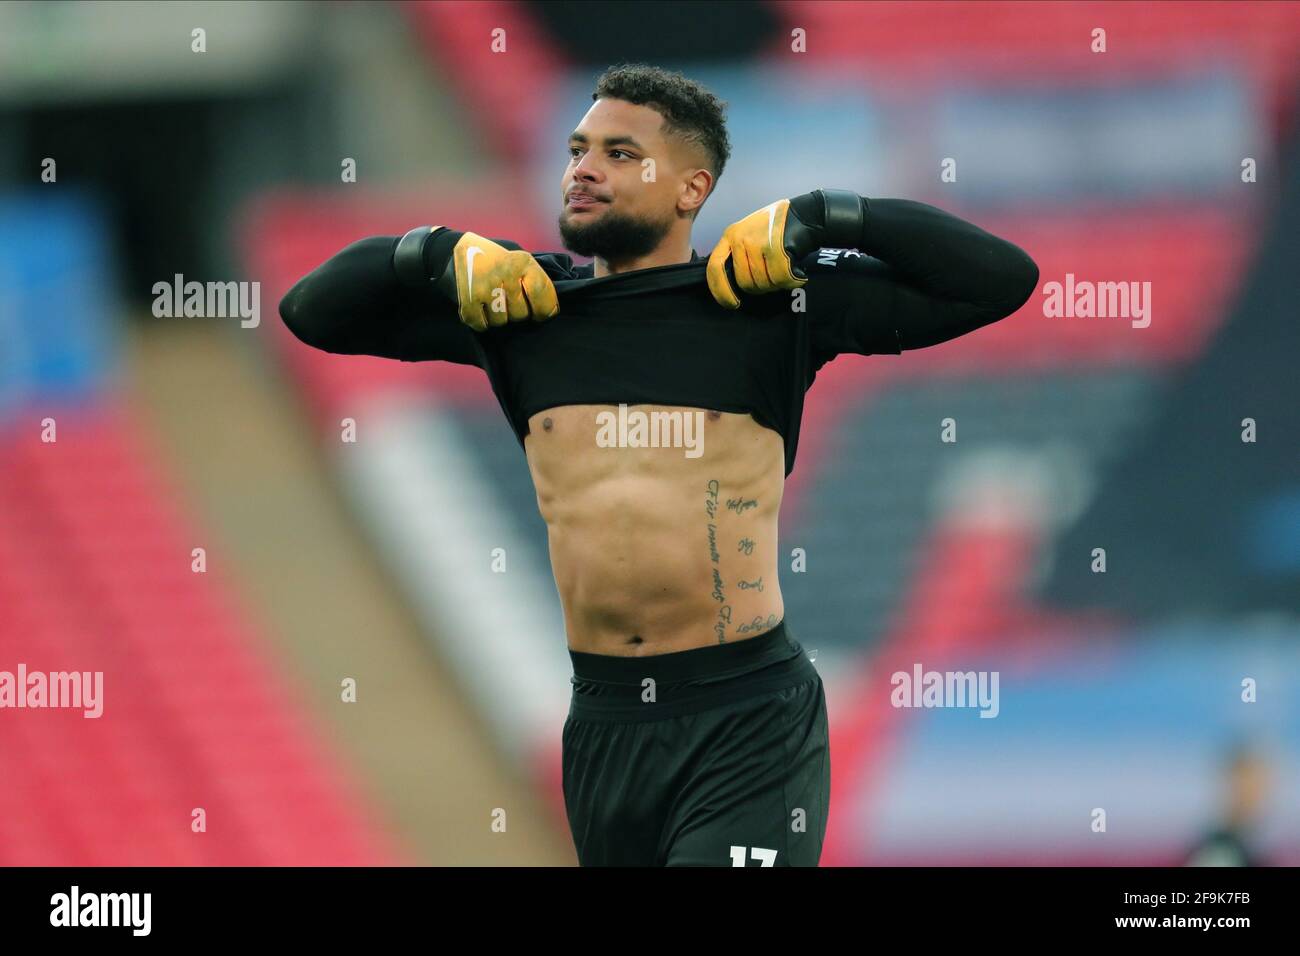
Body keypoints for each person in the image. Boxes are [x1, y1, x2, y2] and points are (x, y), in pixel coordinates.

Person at [279, 63, 1039, 866]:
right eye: (577, 150)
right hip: (605, 725)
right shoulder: (521, 310)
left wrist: (827, 214)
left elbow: (999, 280)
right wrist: (430, 252)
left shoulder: (766, 305)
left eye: (618, 152)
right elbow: (310, 311)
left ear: (691, 188)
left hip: (745, 719)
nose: (583, 169)